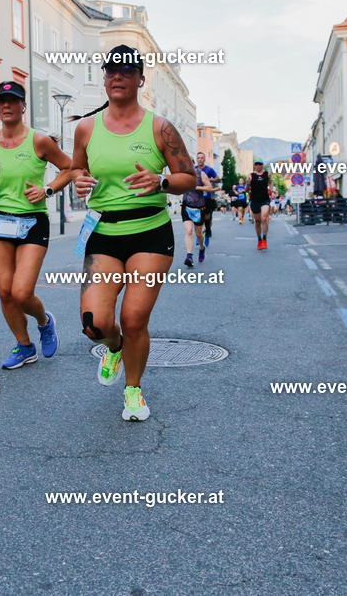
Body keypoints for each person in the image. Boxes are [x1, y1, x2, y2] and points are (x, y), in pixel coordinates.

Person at [72, 45, 196, 422]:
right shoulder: (86, 128)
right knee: (94, 325)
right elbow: (77, 169)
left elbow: (188, 178)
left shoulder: (160, 127)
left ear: (141, 79)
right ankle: (114, 348)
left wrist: (161, 180)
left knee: (134, 318)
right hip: (104, 233)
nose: (117, 77)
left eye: (127, 71)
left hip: (150, 233)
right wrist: (79, 181)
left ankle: (133, 389)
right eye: (111, 70)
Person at [0, 81, 71, 369]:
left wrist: (48, 189)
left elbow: (70, 168)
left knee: (21, 293)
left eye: (13, 100)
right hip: (2, 221)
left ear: (23, 106)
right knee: (5, 292)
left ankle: (44, 321)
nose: (6, 105)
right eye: (2, 101)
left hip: (33, 221)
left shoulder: (39, 141)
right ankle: (25, 346)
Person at [180, 160, 212, 267]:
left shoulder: (200, 174)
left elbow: (209, 187)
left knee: (198, 234)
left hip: (198, 208)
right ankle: (189, 256)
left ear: (193, 164)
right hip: (186, 206)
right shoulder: (182, 175)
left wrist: (196, 187)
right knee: (188, 231)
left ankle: (202, 247)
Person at [195, 152, 220, 246]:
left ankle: (207, 233)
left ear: (204, 159)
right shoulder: (194, 169)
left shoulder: (209, 169)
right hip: (197, 197)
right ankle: (199, 236)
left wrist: (210, 180)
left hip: (208, 197)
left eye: (202, 157)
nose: (200, 159)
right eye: (198, 158)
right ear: (196, 159)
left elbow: (218, 179)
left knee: (207, 218)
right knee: (198, 218)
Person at [249, 160, 273, 249]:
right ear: (254, 165)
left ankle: (264, 239)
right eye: (256, 164)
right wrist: (247, 183)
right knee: (258, 222)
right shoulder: (251, 175)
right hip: (255, 200)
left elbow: (270, 183)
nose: (258, 166)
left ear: (262, 165)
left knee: (264, 217)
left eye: (260, 164)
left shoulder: (266, 174)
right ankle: (259, 240)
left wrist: (273, 192)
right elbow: (247, 189)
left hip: (264, 199)